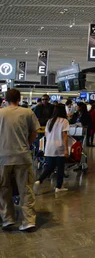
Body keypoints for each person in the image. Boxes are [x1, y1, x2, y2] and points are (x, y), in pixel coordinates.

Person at [0, 89, 40, 232]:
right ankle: (28, 221)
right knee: (26, 189)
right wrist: (27, 144)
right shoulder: (27, 112)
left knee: (3, 188)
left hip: (2, 157)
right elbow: (35, 131)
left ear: (5, 98)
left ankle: (8, 219)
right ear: (19, 98)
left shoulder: (0, 113)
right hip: (22, 156)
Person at [34, 104, 70, 194]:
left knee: (50, 166)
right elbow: (64, 135)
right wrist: (66, 149)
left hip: (49, 147)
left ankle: (39, 180)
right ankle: (58, 186)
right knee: (60, 168)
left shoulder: (49, 121)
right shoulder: (64, 121)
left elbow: (46, 134)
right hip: (59, 147)